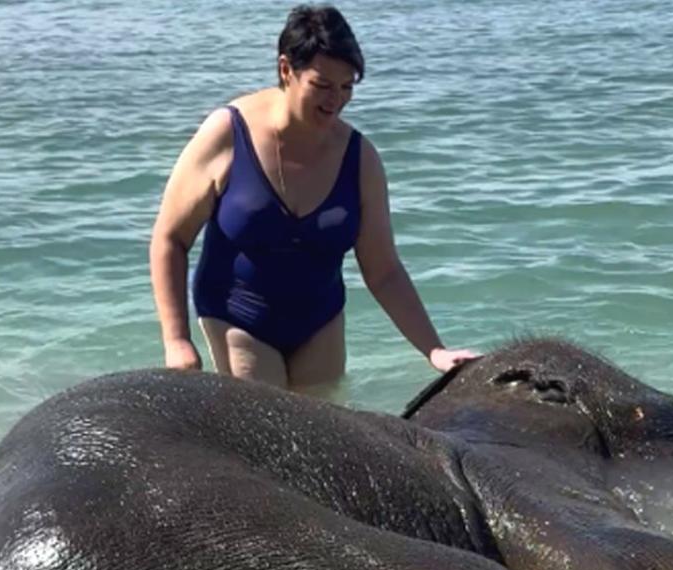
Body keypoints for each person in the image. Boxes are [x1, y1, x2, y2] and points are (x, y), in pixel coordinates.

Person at [149, 4, 476, 391]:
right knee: (267, 432)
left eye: (346, 87)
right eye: (322, 85)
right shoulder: (228, 134)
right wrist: (177, 341)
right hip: (237, 317)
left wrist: (434, 350)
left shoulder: (360, 158)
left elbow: (383, 269)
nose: (335, 100)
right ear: (287, 70)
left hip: (320, 322)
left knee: (322, 436)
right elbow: (170, 238)